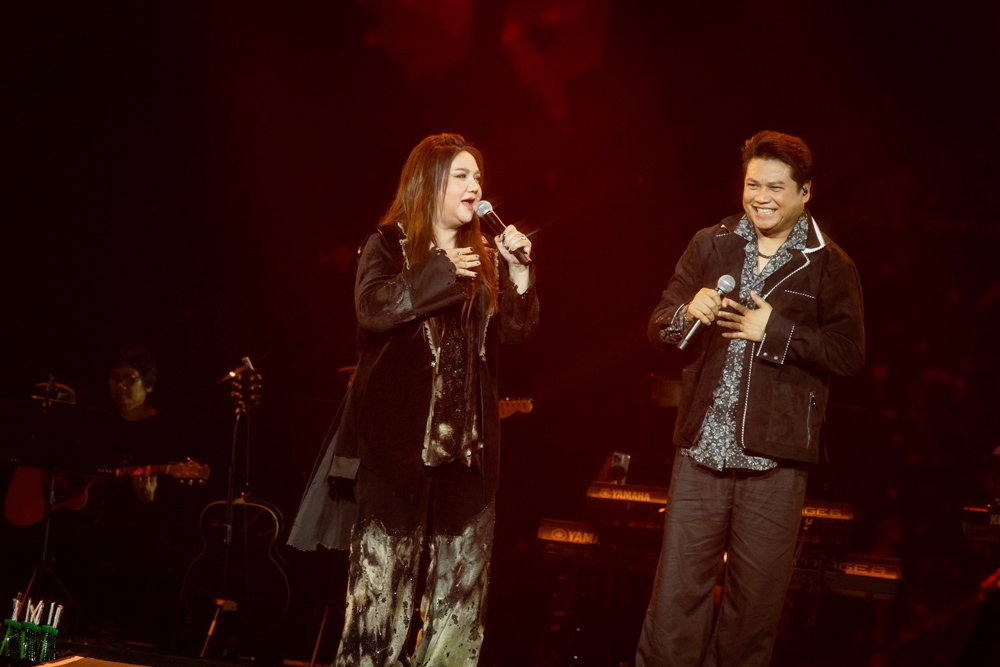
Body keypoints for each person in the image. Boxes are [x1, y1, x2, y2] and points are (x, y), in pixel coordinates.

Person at [288, 133, 538, 665]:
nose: (475, 187)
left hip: (465, 450)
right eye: (461, 176)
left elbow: (514, 334)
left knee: (460, 596)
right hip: (395, 448)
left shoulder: (485, 256)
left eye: (478, 177)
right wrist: (441, 269)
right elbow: (374, 309)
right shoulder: (387, 244)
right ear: (429, 183)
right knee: (380, 592)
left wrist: (519, 273)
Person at [636, 131, 865, 666]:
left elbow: (849, 354)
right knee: (673, 606)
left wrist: (775, 331)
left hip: (774, 465)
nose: (761, 197)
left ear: (805, 192)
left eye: (775, 188)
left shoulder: (829, 263)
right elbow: (658, 324)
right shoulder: (710, 243)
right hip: (701, 454)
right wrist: (686, 314)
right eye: (752, 185)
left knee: (751, 614)